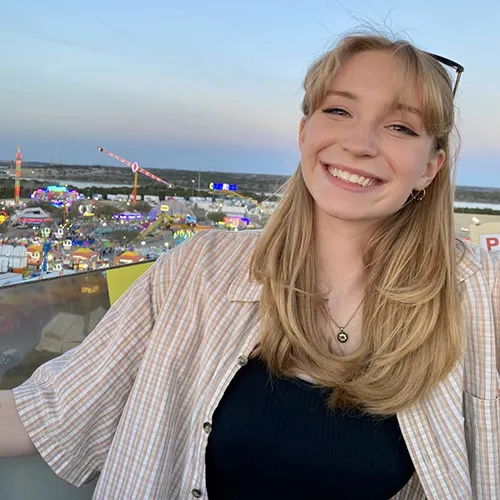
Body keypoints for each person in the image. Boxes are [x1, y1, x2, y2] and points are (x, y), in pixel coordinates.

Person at [0, 32, 498, 500]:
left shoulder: (477, 295)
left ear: (430, 167)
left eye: (399, 127)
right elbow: (50, 410)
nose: (360, 142)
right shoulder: (198, 270)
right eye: (339, 110)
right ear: (305, 132)